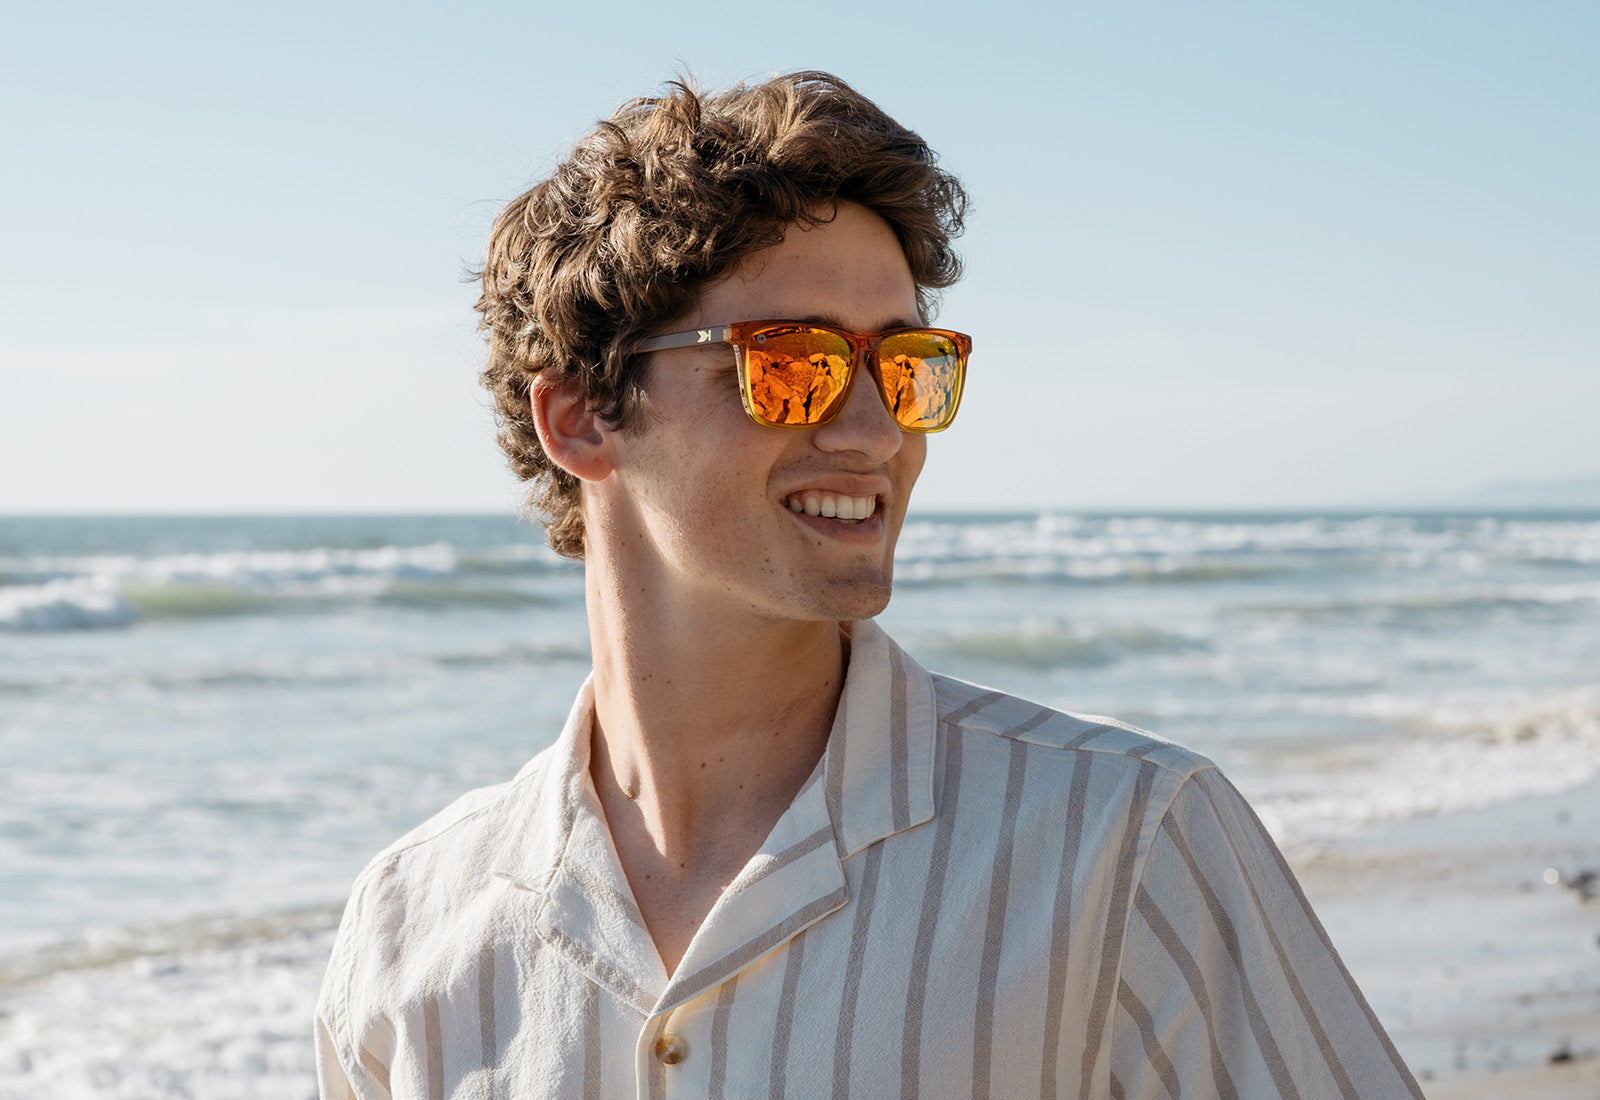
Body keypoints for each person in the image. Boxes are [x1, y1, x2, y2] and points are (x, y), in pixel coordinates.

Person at [315, 71, 1422, 1098]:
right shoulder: (408, 929)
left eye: (905, 366)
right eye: (788, 364)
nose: (872, 427)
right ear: (581, 418)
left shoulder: (1123, 843)